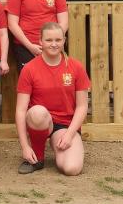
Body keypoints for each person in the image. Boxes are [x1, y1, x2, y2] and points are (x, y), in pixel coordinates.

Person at [15, 22, 89, 176]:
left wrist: (69, 134)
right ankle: (37, 157)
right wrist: (24, 146)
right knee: (37, 112)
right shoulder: (29, 68)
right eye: (49, 40)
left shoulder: (76, 67)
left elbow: (82, 106)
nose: (54, 44)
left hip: (64, 125)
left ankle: (58, 144)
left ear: (64, 41)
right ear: (40, 41)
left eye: (58, 40)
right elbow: (21, 110)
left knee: (71, 169)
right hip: (40, 121)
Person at [7, 0, 68, 69]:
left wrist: (53, 42)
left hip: (52, 45)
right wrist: (30, 46)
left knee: (54, 79)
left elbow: (63, 22)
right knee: (31, 81)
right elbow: (12, 24)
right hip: (26, 46)